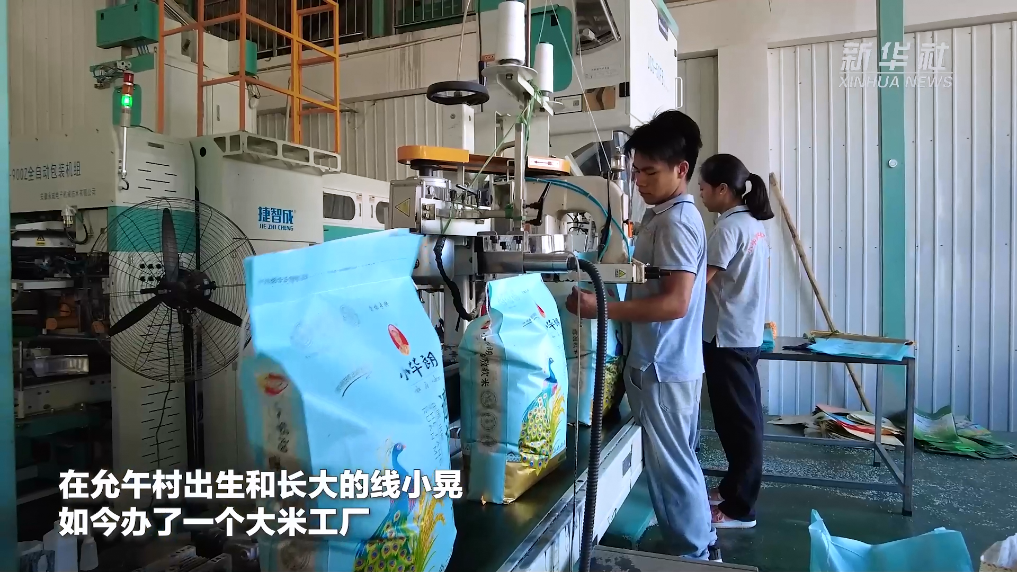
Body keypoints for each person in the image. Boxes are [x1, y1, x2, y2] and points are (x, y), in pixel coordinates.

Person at [566, 110, 718, 561]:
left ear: (681, 169)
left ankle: (693, 556)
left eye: (650, 172)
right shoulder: (662, 216)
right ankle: (702, 542)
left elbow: (675, 303)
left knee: (673, 469)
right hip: (665, 363)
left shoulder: (676, 223)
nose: (639, 182)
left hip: (663, 367)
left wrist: (600, 307)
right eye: (636, 172)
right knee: (678, 462)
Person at [697, 153, 773, 529]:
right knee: (737, 420)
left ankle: (741, 508)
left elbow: (698, 283)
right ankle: (731, 488)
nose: (700, 192)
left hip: (727, 336)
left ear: (722, 189)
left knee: (740, 425)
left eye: (703, 187)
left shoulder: (728, 229)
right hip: (743, 333)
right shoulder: (751, 223)